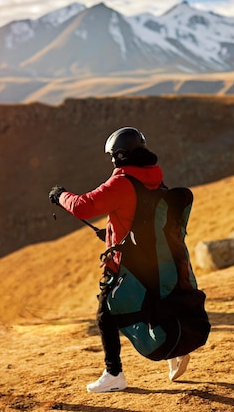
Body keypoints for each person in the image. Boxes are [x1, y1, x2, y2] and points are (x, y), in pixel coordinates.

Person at [48, 127, 191, 393]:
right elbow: (139, 216)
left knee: (105, 314)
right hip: (152, 257)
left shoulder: (123, 181)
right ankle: (176, 350)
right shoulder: (155, 180)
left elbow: (83, 206)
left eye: (113, 156)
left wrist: (60, 196)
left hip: (126, 263)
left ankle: (114, 374)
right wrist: (111, 232)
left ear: (119, 156)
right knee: (152, 304)